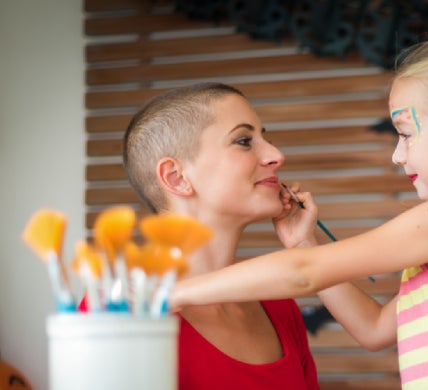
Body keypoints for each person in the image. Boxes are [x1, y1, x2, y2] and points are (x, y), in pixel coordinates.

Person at [170, 28, 428, 389]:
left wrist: (175, 293)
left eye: (406, 134)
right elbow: (373, 330)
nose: (397, 155)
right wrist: (304, 241)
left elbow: (304, 274)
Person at [122, 82, 320, 389]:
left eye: (265, 138)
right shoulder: (117, 311)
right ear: (176, 177)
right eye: (244, 141)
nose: (276, 155)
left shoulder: (280, 308)